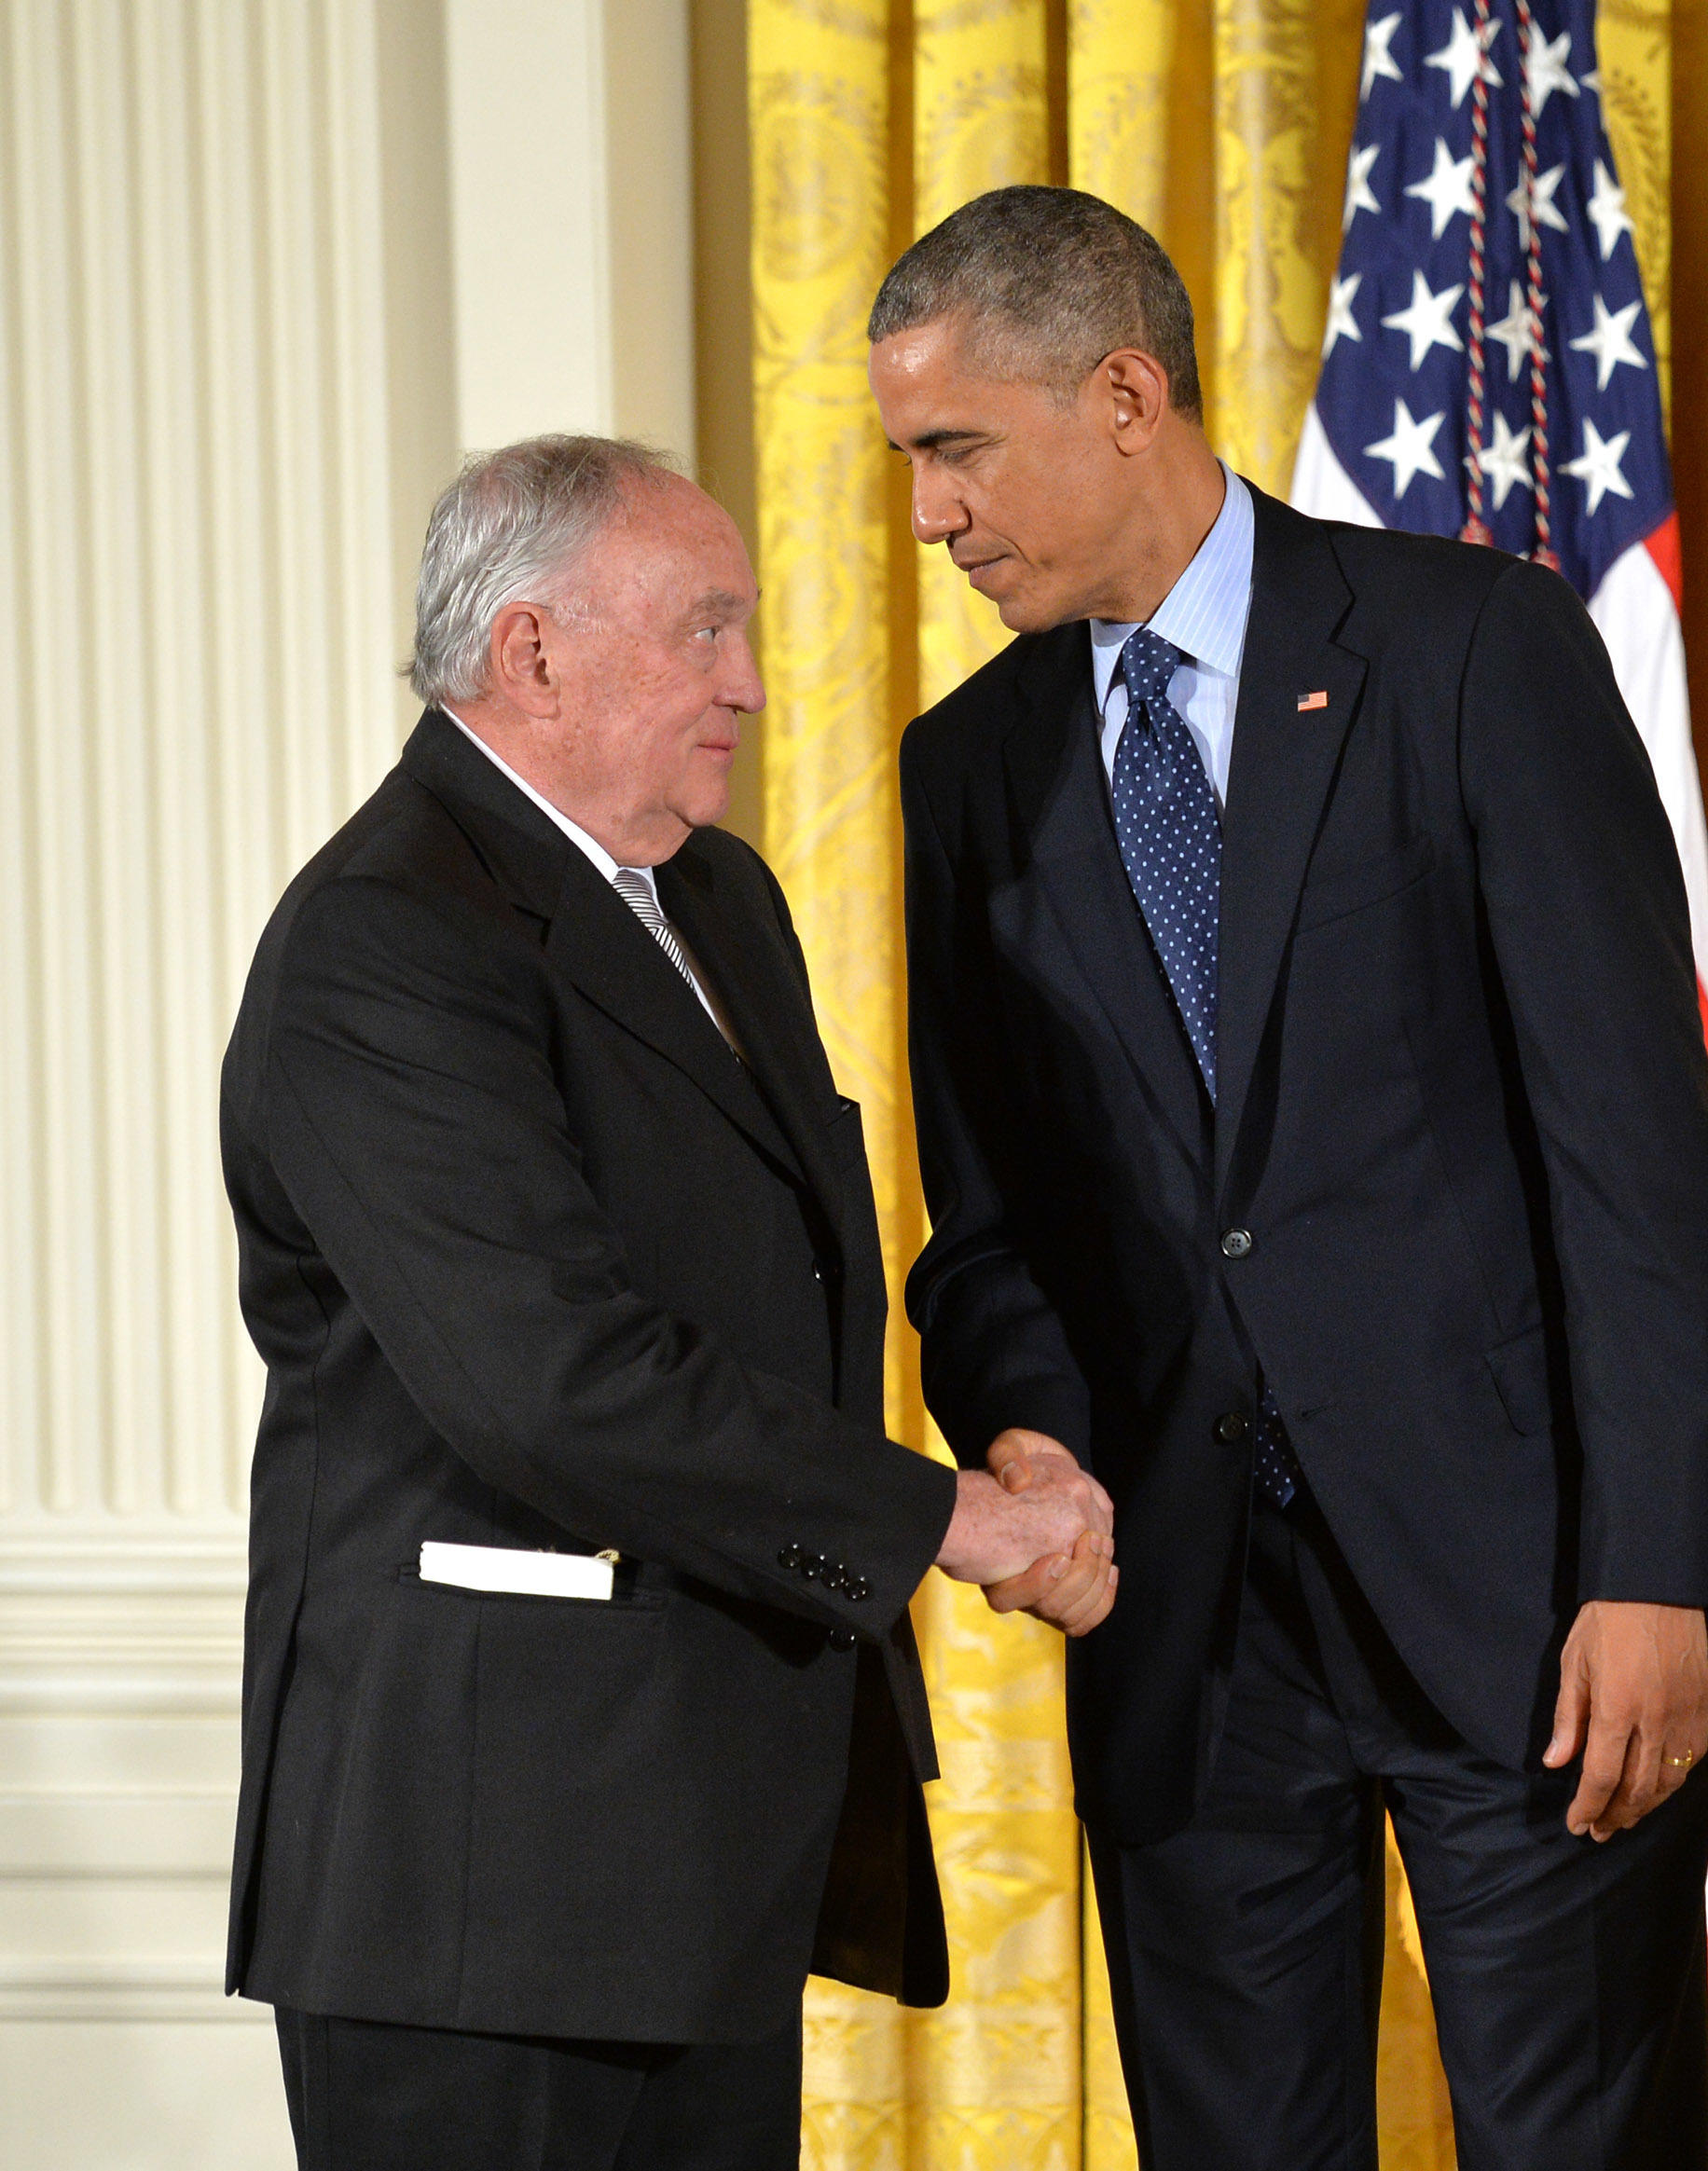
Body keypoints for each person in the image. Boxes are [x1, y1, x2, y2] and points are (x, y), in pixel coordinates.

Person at [868, 186, 1708, 2164]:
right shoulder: (969, 766)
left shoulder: (1469, 650)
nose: (929, 515)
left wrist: (1656, 1570)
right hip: (1189, 1637)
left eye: (957, 448)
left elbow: (1634, 1156)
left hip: (1530, 1608)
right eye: (912, 462)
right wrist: (1030, 1436)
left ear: (1124, 396)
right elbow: (989, 1224)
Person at [219, 436, 1114, 2168]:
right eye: (705, 628)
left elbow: (788, 1284)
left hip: (703, 1858)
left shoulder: (719, 898)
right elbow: (554, 1383)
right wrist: (954, 1520)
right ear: (534, 651)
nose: (751, 684)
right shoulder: (382, 939)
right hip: (480, 1891)